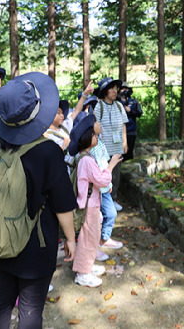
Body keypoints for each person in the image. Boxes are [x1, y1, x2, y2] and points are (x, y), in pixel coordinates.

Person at [0, 72, 77, 328]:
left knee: (2, 300)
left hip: (0, 236)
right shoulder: (48, 151)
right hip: (36, 244)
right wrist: (71, 239)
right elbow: (62, 205)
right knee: (30, 308)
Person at [68, 114, 123, 287]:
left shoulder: (85, 158)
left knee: (90, 237)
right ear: (86, 139)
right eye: (93, 135)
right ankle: (83, 273)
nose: (96, 136)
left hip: (91, 204)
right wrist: (111, 166)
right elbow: (101, 180)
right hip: (89, 206)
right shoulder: (87, 161)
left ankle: (87, 266)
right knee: (88, 238)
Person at [95, 77, 128, 213]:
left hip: (117, 147)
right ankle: (103, 202)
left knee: (116, 176)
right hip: (103, 149)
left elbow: (123, 125)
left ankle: (112, 200)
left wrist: (125, 142)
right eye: (111, 88)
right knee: (103, 175)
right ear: (105, 91)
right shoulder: (99, 107)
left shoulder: (120, 106)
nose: (115, 91)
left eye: (116, 88)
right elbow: (95, 127)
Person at [117, 82, 142, 161]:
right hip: (119, 132)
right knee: (120, 153)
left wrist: (130, 111)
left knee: (129, 152)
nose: (124, 91)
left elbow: (139, 113)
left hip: (131, 131)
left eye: (126, 89)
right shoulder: (116, 102)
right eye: (122, 89)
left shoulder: (134, 102)